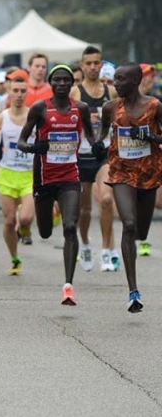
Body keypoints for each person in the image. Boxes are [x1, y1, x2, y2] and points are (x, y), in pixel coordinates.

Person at [18, 64, 98, 306]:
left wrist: (97, 145)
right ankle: (47, 216)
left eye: (66, 80)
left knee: (70, 227)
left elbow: (91, 135)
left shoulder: (80, 108)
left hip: (69, 177)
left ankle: (68, 286)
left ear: (72, 84)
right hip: (44, 178)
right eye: (57, 80)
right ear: (51, 84)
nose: (62, 84)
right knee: (44, 231)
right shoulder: (40, 108)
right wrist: (34, 147)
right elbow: (21, 142)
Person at [98, 63, 162, 312]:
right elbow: (101, 134)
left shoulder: (155, 106)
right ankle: (133, 291)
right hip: (121, 173)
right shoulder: (111, 107)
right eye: (115, 79)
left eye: (121, 79)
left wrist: (151, 138)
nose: (116, 83)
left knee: (142, 232)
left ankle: (137, 241)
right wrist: (96, 145)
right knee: (129, 224)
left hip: (149, 174)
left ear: (135, 81)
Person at [70, 46, 117, 272]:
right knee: (84, 208)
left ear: (101, 64)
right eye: (88, 63)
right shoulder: (75, 93)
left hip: (104, 155)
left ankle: (107, 249)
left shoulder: (111, 92)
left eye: (96, 63)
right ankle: (86, 244)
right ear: (82, 65)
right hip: (81, 155)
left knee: (106, 200)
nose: (92, 67)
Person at [0, 70, 35, 275]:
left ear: (27, 93)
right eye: (15, 91)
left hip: (29, 175)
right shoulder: (0, 119)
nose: (18, 95)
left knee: (24, 218)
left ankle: (24, 230)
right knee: (9, 221)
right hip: (7, 174)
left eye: (22, 91)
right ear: (9, 92)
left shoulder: (35, 117)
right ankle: (15, 258)